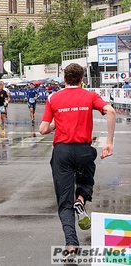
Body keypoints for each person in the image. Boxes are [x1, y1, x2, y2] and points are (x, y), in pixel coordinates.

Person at [39, 63, 115, 260]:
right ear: (82, 79)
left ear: (64, 79)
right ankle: (80, 200)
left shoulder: (53, 98)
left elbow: (43, 129)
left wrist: (58, 121)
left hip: (62, 151)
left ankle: (71, 244)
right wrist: (109, 142)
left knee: (64, 201)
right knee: (85, 181)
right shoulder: (89, 96)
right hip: (83, 150)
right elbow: (111, 112)